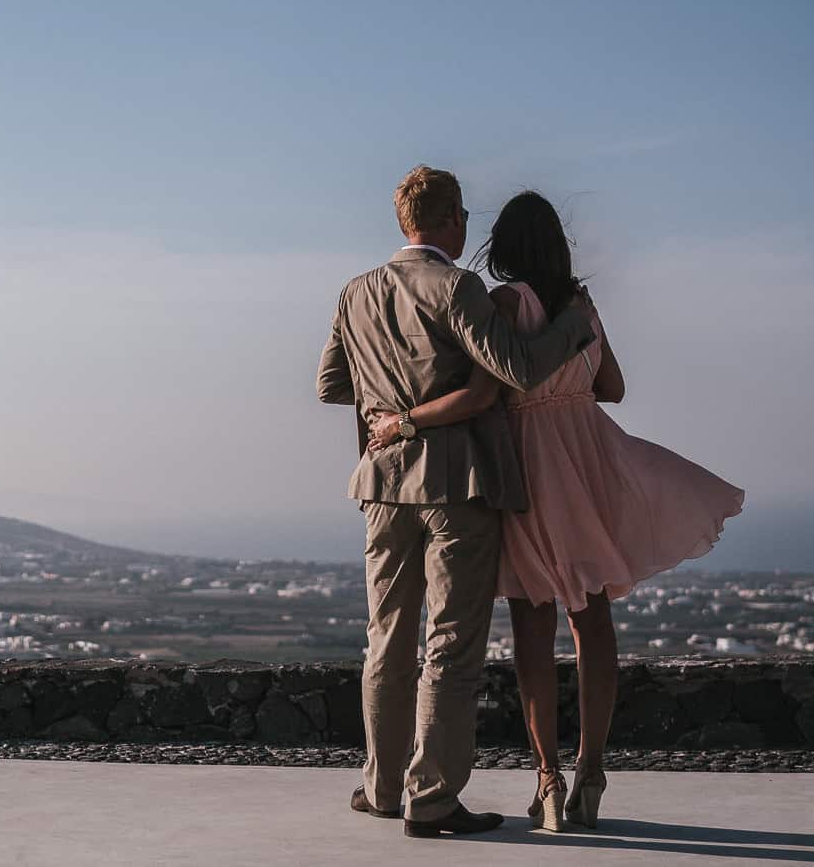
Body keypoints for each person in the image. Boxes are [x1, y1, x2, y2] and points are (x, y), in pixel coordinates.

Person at [375, 191, 745, 831]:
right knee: (592, 617)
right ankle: (592, 772)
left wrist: (406, 419)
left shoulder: (501, 302)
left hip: (529, 466)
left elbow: (494, 383)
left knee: (532, 623)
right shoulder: (583, 308)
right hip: (588, 459)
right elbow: (614, 388)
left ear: (506, 248)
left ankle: (546, 779)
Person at [317, 166, 598, 838]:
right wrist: (572, 327)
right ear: (451, 220)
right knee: (451, 642)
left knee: (386, 637)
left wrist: (389, 407)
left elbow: (332, 384)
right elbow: (519, 367)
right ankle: (433, 797)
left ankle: (382, 787)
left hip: (381, 483)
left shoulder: (355, 293)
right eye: (463, 214)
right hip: (455, 484)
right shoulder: (456, 287)